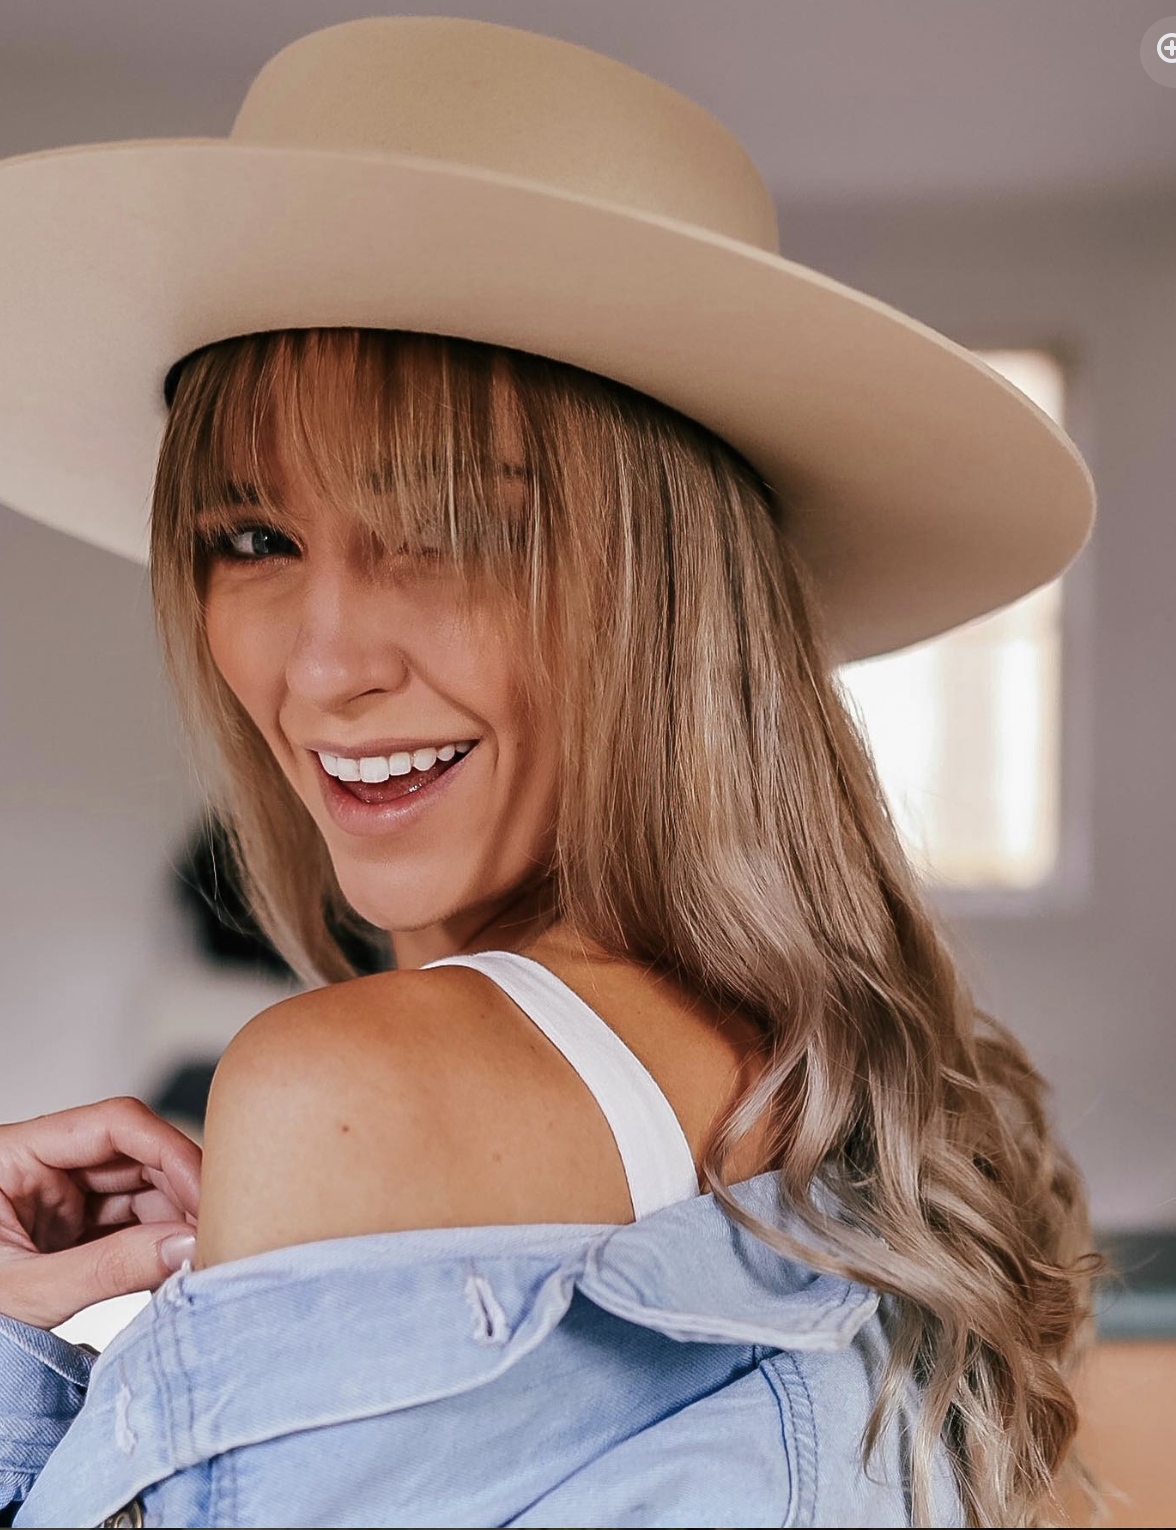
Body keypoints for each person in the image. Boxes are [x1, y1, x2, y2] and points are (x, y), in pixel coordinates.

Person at [0, 16, 1102, 1529]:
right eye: (252, 538)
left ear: (673, 588)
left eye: (449, 526)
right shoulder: (868, 1087)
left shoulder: (350, 1085)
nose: (322, 666)